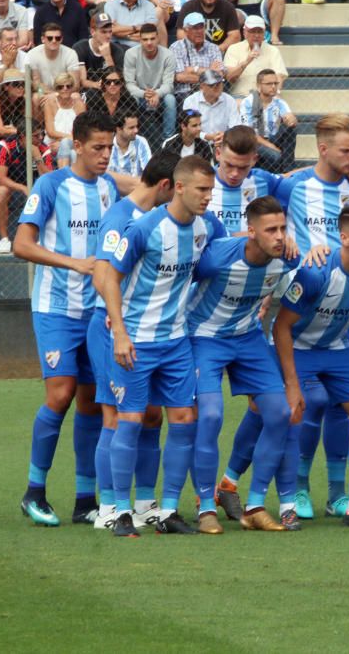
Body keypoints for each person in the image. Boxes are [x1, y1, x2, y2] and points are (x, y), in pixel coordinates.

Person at [101, 155, 224, 537]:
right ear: (180, 187)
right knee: (132, 420)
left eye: (211, 190)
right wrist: (119, 331)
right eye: (202, 190)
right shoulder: (144, 228)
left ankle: (168, 509)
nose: (207, 197)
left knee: (184, 420)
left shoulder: (206, 228)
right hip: (136, 340)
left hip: (176, 342)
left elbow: (237, 248)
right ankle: (121, 511)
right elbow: (107, 276)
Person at [12, 111, 121, 527]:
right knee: (60, 395)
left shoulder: (110, 187)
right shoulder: (51, 185)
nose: (104, 155)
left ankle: (84, 499)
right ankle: (34, 491)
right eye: (97, 147)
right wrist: (73, 263)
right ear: (76, 145)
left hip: (96, 311)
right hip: (55, 307)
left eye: (109, 147)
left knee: (91, 403)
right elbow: (22, 244)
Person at [273, 203, 349, 528]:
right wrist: (292, 383)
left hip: (338, 350)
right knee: (302, 406)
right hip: (298, 348)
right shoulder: (316, 273)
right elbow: (281, 326)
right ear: (344, 237)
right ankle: (293, 495)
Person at [188, 196, 298, 534]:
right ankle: (206, 506)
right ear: (250, 232)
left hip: (248, 337)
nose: (280, 236)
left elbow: (298, 282)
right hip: (204, 336)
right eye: (271, 230)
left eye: (283, 228)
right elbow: (179, 281)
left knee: (280, 413)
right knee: (209, 416)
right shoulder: (219, 256)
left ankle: (255, 505)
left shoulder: (288, 260)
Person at [275, 113, 349, 518]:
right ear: (323, 149)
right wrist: (289, 238)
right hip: (302, 307)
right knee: (310, 401)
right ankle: (298, 486)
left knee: (340, 404)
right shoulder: (292, 186)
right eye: (346, 151)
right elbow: (261, 220)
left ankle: (336, 493)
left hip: (346, 313)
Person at [88, 150, 178, 531]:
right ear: (166, 186)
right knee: (115, 416)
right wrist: (119, 325)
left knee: (151, 416)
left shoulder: (157, 218)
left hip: (151, 333)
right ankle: (109, 507)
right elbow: (101, 275)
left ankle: (144, 503)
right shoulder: (122, 218)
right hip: (114, 329)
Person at [0, 122, 53, 253]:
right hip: (11, 184)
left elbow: (50, 179)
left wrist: (37, 157)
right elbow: (0, 178)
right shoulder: (5, 146)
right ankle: (4, 240)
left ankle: (41, 239)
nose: (41, 138)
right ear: (23, 137)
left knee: (48, 190)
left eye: (42, 134)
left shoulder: (42, 148)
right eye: (36, 136)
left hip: (36, 186)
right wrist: (22, 188)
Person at [124, 23, 177, 145]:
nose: (149, 42)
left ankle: (167, 141)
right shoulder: (131, 54)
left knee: (170, 99)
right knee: (132, 99)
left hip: (161, 95)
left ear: (158, 38)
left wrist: (157, 94)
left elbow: (169, 84)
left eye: (152, 39)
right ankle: (133, 138)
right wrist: (144, 94)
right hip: (140, 95)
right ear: (140, 39)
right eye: (145, 39)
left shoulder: (168, 55)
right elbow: (129, 84)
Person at [238, 68, 296, 173]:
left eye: (275, 83)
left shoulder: (279, 102)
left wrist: (292, 120)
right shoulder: (248, 103)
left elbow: (289, 117)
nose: (273, 87)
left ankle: (288, 171)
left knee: (291, 129)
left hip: (273, 138)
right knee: (276, 156)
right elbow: (249, 133)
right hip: (254, 141)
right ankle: (284, 173)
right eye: (269, 84)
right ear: (259, 86)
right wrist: (271, 146)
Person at [223, 15, 288, 99]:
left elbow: (279, 76)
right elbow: (230, 77)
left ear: (264, 33)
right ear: (244, 32)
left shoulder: (273, 50)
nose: (256, 35)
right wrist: (247, 62)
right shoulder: (233, 49)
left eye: (259, 31)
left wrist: (276, 93)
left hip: (265, 97)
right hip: (241, 96)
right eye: (252, 31)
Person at [170, 12, 223, 105]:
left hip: (210, 92)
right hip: (185, 93)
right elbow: (179, 77)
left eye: (201, 27)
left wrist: (194, 69)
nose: (199, 31)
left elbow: (219, 74)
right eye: (195, 28)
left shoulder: (213, 48)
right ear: (186, 30)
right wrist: (209, 73)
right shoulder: (176, 47)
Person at [182, 70, 240, 146]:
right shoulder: (191, 101)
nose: (217, 87)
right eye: (212, 85)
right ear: (202, 86)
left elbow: (235, 127)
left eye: (219, 83)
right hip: (198, 144)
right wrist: (207, 137)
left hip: (224, 143)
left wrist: (225, 136)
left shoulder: (230, 100)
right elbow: (188, 129)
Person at [74, 13, 128, 92]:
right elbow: (82, 81)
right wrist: (98, 85)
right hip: (88, 93)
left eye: (110, 32)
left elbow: (118, 82)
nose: (108, 36)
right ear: (92, 32)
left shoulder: (117, 50)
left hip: (111, 93)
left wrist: (108, 57)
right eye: (104, 32)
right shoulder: (80, 47)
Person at [27, 23, 82, 99]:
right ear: (43, 39)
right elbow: (37, 84)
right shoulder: (33, 54)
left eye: (57, 38)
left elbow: (75, 84)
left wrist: (58, 94)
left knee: (76, 96)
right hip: (43, 92)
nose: (54, 41)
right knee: (36, 97)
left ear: (61, 39)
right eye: (50, 38)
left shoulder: (71, 53)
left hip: (66, 92)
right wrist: (52, 94)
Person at [177, 0, 241, 51]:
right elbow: (181, 34)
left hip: (221, 52)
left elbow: (235, 36)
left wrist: (216, 50)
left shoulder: (228, 7)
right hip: (194, 52)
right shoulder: (188, 7)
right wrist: (197, 50)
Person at [43, 72, 86, 166]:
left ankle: (63, 176)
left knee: (71, 150)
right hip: (52, 144)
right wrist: (68, 139)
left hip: (74, 144)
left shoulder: (79, 104)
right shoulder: (50, 103)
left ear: (72, 88)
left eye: (68, 86)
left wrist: (64, 142)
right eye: (60, 87)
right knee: (72, 153)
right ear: (56, 89)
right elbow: (51, 132)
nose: (65, 89)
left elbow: (82, 131)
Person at [0, 69, 28, 158]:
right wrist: (20, 131)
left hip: (18, 141)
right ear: (6, 86)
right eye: (16, 84)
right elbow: (0, 130)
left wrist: (13, 130)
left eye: (23, 85)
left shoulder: (23, 101)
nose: (21, 88)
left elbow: (28, 126)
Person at [108, 111, 152, 191]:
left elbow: (149, 173)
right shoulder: (108, 145)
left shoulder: (141, 142)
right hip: (113, 192)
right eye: (131, 128)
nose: (136, 130)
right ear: (118, 129)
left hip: (137, 192)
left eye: (136, 126)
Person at [0, 26, 29, 94]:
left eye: (16, 39)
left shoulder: (24, 56)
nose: (14, 43)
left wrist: (12, 64)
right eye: (10, 40)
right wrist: (5, 64)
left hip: (19, 96)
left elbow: (24, 85)